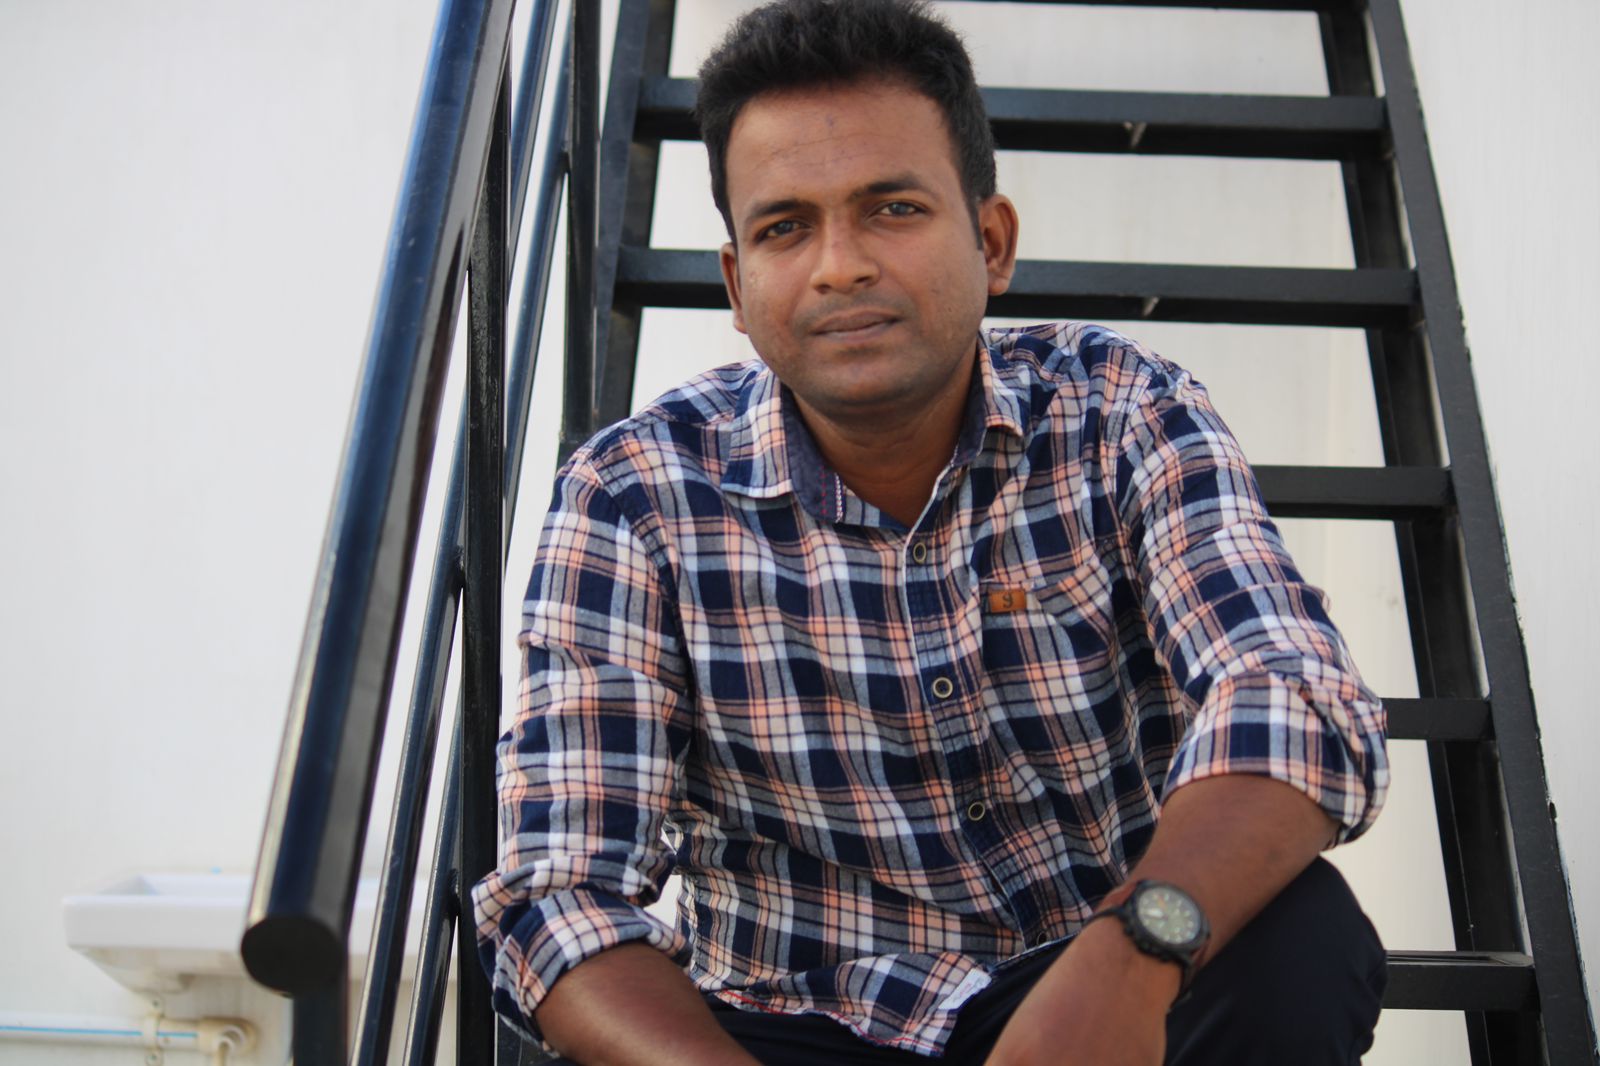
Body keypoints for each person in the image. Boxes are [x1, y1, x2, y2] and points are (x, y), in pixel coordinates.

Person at [472, 1, 1390, 1062]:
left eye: (893, 208)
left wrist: (1134, 952)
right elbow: (560, 893)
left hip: (1099, 982)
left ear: (991, 243)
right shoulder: (634, 496)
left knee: (1299, 936)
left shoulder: (1123, 411)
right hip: (794, 1019)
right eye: (784, 228)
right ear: (737, 286)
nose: (840, 265)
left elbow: (1292, 699)